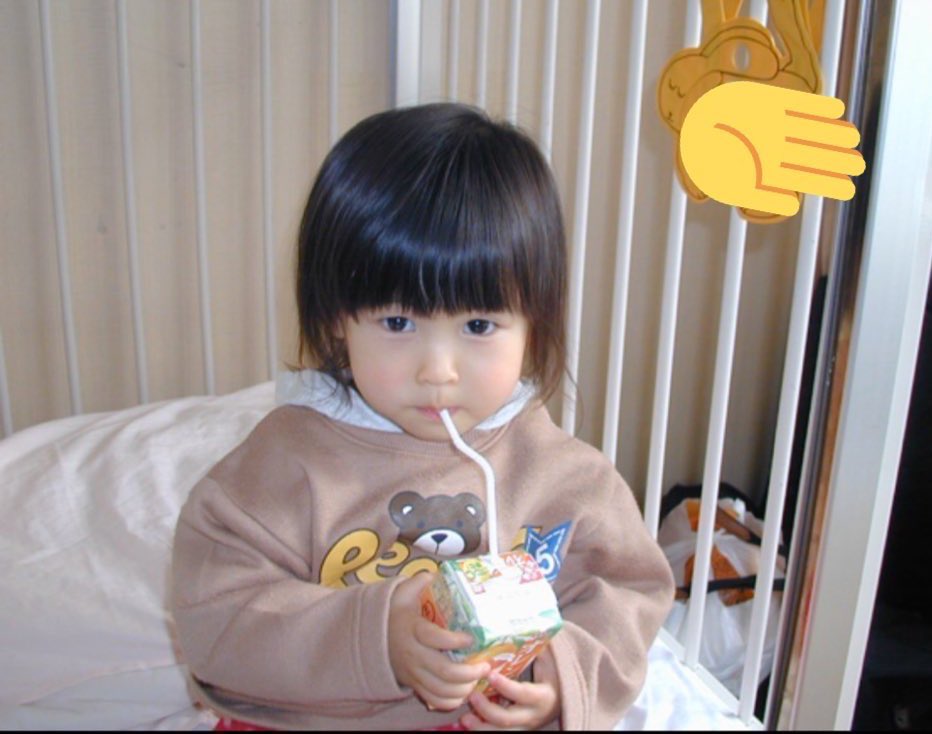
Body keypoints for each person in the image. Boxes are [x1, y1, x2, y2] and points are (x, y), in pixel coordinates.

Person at [171, 102, 674, 731]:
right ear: (337, 317)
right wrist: (376, 637)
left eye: (479, 325)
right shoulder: (286, 463)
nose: (438, 370)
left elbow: (627, 596)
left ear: (534, 322)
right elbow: (215, 616)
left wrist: (558, 680)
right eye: (397, 322)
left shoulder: (565, 480)